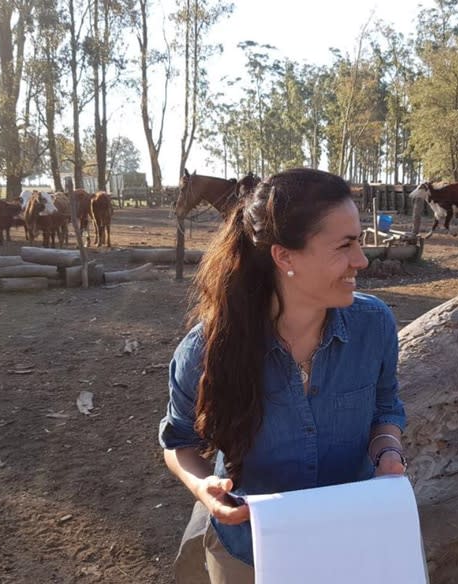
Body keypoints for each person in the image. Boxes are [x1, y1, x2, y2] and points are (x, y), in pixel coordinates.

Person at [159, 167, 408, 583]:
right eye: (344, 246)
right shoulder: (206, 350)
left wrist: (387, 451)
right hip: (250, 552)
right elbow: (179, 444)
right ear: (284, 256)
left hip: (355, 542)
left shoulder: (374, 324)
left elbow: (386, 406)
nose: (361, 260)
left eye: (359, 242)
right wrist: (206, 491)